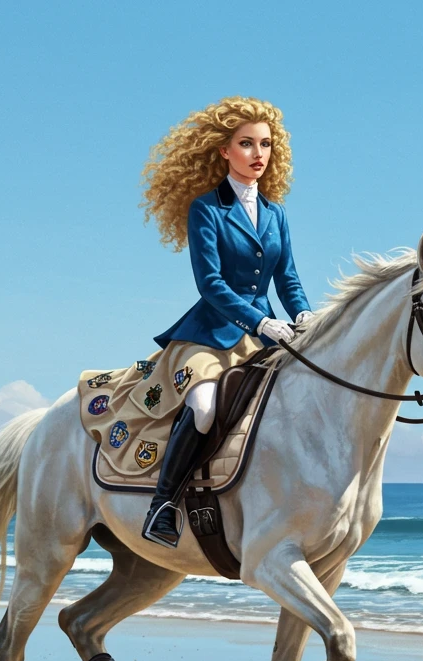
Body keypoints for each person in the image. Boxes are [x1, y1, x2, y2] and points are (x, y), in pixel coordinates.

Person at [138, 96, 313, 547]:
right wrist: (260, 322)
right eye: (247, 144)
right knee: (204, 406)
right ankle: (162, 505)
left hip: (267, 333)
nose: (259, 154)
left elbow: (288, 279)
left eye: (266, 145)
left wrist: (304, 314)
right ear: (224, 151)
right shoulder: (207, 209)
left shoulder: (276, 215)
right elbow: (211, 284)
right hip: (211, 333)